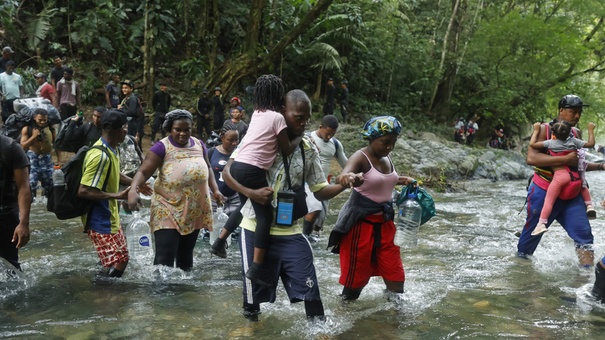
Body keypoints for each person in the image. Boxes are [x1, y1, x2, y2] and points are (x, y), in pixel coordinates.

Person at [222, 89, 350, 321]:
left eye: (306, 118)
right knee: (252, 299)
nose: (303, 123)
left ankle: (319, 333)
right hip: (253, 229)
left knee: (311, 294)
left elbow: (320, 191)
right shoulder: (258, 138)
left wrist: (344, 184)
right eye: (298, 117)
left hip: (290, 231)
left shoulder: (309, 148)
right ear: (282, 112)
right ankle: (252, 331)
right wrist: (251, 192)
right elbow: (228, 173)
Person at [208, 74, 302, 287]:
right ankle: (257, 266)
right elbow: (287, 149)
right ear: (278, 96)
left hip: (239, 165)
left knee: (244, 206)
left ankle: (219, 242)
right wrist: (300, 135)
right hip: (252, 170)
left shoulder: (257, 114)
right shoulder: (277, 118)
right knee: (265, 217)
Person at [328, 116, 414, 301]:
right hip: (360, 226)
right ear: (372, 138)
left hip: (385, 225)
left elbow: (381, 180)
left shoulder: (387, 156)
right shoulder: (361, 157)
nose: (390, 147)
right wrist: (349, 178)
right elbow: (341, 176)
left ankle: (396, 321)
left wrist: (402, 179)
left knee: (395, 275)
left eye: (393, 142)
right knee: (355, 282)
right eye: (385, 142)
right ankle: (345, 316)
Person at [127, 110, 224, 271]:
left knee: (186, 259)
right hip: (167, 207)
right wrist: (133, 190)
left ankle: (182, 294)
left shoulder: (199, 144)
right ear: (170, 129)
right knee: (164, 258)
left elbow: (208, 168)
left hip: (194, 209)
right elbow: (143, 172)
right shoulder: (161, 147)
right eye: (178, 129)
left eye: (187, 129)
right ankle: (161, 293)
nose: (183, 133)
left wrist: (216, 190)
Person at [517, 94, 604, 268]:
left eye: (579, 112)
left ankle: (586, 277)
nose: (577, 116)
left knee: (584, 235)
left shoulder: (576, 133)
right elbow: (532, 158)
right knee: (530, 239)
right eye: (573, 111)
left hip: (571, 192)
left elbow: (578, 164)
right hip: (543, 190)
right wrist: (564, 161)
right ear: (561, 110)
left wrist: (600, 166)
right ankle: (521, 273)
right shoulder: (544, 129)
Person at [78, 110, 136, 278]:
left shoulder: (111, 149)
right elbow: (84, 190)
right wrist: (116, 196)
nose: (127, 130)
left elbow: (113, 173)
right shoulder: (100, 155)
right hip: (99, 220)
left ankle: (106, 291)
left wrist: (135, 183)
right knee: (120, 259)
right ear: (117, 130)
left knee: (118, 258)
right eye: (125, 127)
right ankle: (103, 294)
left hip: (110, 217)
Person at [529, 120, 596, 236]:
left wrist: (535, 130)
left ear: (553, 134)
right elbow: (590, 144)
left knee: (549, 200)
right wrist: (590, 129)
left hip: (560, 176)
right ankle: (589, 205)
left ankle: (541, 224)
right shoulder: (574, 142)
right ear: (570, 132)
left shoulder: (550, 143)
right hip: (574, 175)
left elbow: (533, 144)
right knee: (583, 184)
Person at [302, 115, 348, 239]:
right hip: (307, 183)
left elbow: (347, 165)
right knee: (315, 209)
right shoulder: (306, 138)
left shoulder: (336, 144)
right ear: (321, 127)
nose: (329, 137)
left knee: (320, 218)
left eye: (332, 134)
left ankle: (313, 240)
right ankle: (304, 239)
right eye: (327, 133)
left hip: (324, 185)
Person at [0, 135, 31, 271]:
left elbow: (24, 187)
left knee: (10, 266)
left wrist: (23, 223)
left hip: (5, 215)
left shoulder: (10, 148)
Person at [20, 108, 55, 200]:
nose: (42, 122)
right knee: (31, 183)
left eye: (45, 120)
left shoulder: (51, 128)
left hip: (47, 158)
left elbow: (56, 144)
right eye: (40, 120)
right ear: (35, 118)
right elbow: (22, 146)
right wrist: (33, 136)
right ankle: (31, 202)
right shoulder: (27, 129)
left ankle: (48, 203)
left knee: (50, 183)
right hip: (32, 157)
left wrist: (59, 160)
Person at [208, 126, 241, 215]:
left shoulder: (241, 153)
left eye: (237, 139)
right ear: (222, 138)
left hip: (236, 199)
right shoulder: (211, 152)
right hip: (214, 199)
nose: (234, 143)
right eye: (230, 140)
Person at [118, 80, 143, 148]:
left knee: (132, 142)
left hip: (133, 124)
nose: (124, 89)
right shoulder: (127, 98)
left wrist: (121, 109)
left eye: (126, 88)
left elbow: (132, 111)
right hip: (129, 122)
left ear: (131, 89)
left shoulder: (132, 98)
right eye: (123, 88)